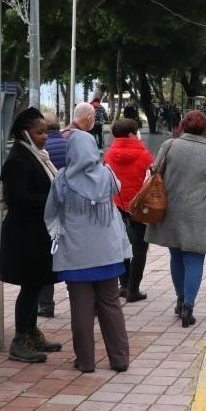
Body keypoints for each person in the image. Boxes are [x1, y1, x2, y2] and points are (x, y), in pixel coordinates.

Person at [46, 130, 132, 373]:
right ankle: (119, 359)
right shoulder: (107, 174)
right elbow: (118, 188)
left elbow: (51, 214)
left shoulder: (61, 179)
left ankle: (85, 361)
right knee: (110, 303)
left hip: (75, 255)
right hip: (107, 253)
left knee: (81, 307)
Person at [145, 111, 206, 328]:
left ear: (182, 125)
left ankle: (180, 299)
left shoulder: (169, 146)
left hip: (171, 212)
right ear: (205, 128)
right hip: (200, 215)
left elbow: (155, 172)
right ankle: (188, 308)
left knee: (176, 256)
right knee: (194, 259)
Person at [0, 108, 62, 363]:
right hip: (24, 235)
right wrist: (53, 199)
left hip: (37, 232)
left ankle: (32, 332)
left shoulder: (38, 156)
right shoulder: (18, 159)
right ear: (25, 133)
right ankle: (20, 339)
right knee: (30, 287)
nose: (45, 136)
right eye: (39, 132)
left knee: (35, 285)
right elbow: (17, 199)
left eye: (46, 131)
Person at [104, 119, 154, 302]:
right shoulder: (145, 155)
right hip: (140, 207)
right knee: (140, 248)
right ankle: (133, 289)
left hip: (116, 205)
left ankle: (124, 285)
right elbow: (152, 179)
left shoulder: (108, 155)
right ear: (133, 134)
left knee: (120, 245)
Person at [38, 112, 67, 318]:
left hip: (47, 211)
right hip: (69, 210)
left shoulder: (41, 151)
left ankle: (46, 304)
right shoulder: (69, 145)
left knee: (47, 256)